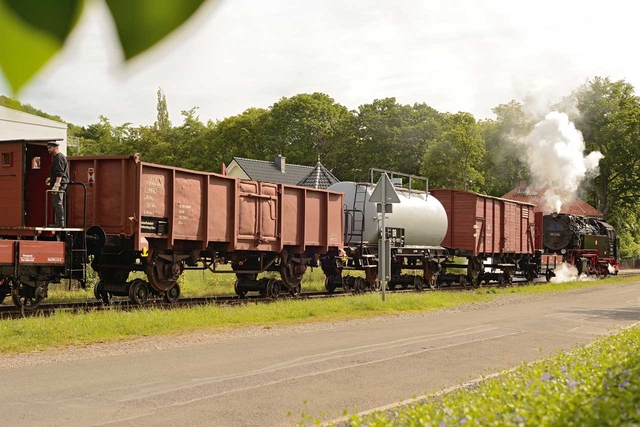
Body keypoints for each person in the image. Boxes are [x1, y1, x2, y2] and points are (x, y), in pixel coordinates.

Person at [45, 141, 69, 227]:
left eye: (50, 147)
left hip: (60, 184)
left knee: (57, 202)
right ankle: (59, 222)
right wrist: (51, 179)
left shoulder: (59, 158)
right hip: (60, 183)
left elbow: (60, 173)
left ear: (55, 147)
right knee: (56, 202)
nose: (48, 150)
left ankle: (60, 223)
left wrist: (56, 185)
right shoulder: (58, 157)